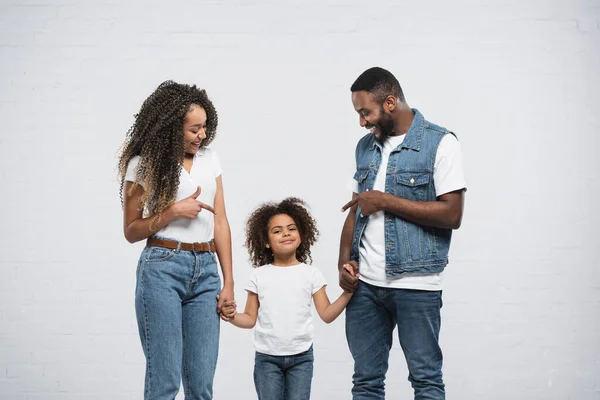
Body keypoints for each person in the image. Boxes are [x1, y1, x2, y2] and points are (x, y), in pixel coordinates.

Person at [338, 67, 466, 399]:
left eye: (366, 112)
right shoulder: (365, 147)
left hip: (417, 285)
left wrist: (387, 201)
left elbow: (452, 214)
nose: (362, 122)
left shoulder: (440, 143)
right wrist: (344, 262)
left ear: (391, 102)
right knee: (366, 382)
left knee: (425, 380)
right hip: (366, 287)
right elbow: (356, 209)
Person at [117, 80, 234, 400]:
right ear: (171, 128)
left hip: (207, 270)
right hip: (162, 269)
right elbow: (131, 231)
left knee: (200, 385)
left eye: (205, 127)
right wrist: (170, 212)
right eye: (194, 129)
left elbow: (221, 222)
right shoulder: (143, 164)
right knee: (165, 381)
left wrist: (229, 283)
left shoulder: (211, 159)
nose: (202, 135)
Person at [221, 197, 354, 400]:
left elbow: (326, 314)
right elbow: (248, 319)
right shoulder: (259, 275)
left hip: (301, 358)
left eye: (291, 228)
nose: (286, 233)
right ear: (265, 241)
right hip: (267, 360)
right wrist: (231, 316)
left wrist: (348, 292)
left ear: (301, 235)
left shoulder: (312, 274)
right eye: (277, 231)